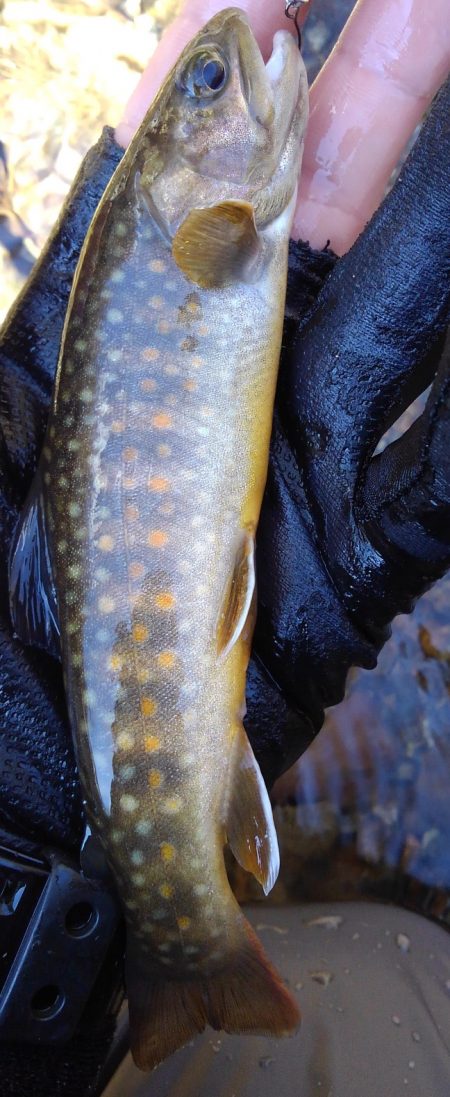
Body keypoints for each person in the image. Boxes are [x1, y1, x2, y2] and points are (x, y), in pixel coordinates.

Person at [0, 0, 448, 1094]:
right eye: (207, 92)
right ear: (181, 189)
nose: (234, 76)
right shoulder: (212, 227)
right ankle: (180, 932)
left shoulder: (216, 225)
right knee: (409, 986)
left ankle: (149, 930)